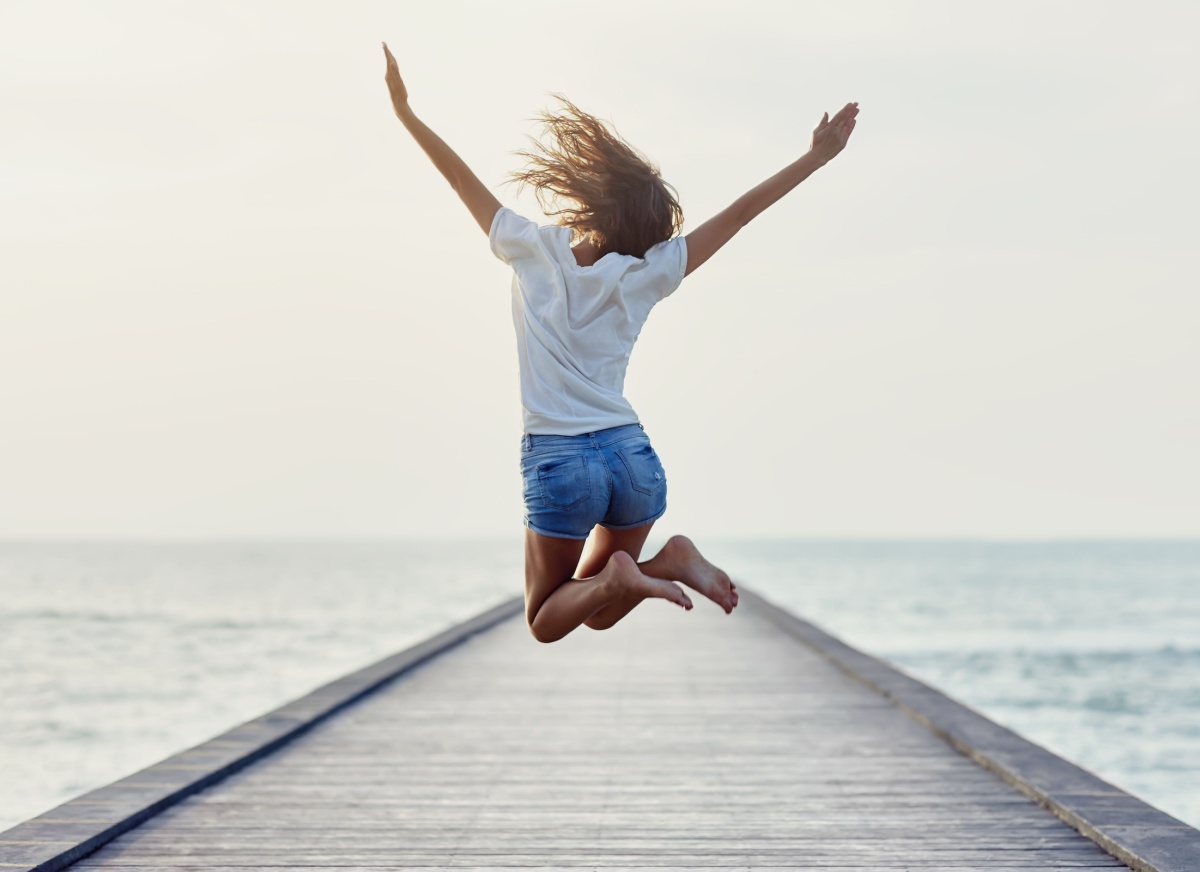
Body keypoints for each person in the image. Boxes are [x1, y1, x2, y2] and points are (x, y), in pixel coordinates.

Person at [381, 42, 858, 643]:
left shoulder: (531, 247)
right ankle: (664, 563)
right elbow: (739, 216)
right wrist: (814, 158)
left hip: (561, 459)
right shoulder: (646, 274)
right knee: (599, 606)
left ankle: (636, 575)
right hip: (632, 460)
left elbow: (457, 178)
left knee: (546, 620)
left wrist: (408, 116)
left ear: (595, 201)